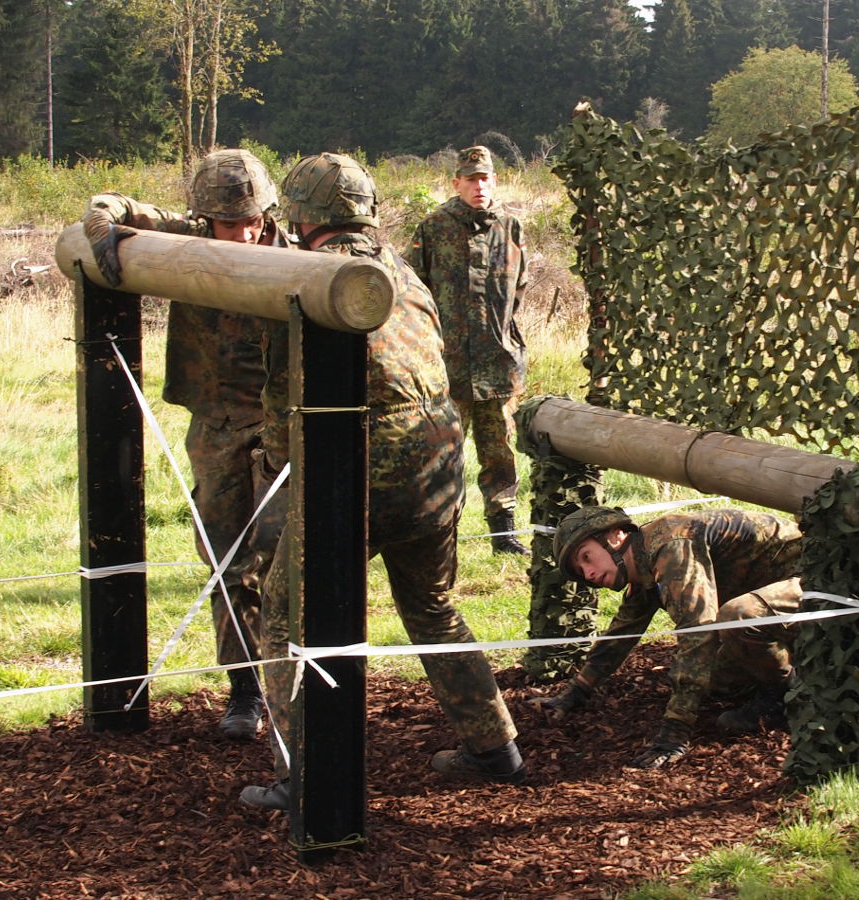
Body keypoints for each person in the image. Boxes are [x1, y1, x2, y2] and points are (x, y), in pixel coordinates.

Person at [239, 153, 524, 811]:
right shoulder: (403, 271)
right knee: (432, 608)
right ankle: (496, 748)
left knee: (284, 619)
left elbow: (285, 407)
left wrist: (278, 475)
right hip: (438, 468)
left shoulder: (311, 277)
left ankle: (307, 777)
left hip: (358, 471)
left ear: (302, 220)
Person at [81, 149, 283, 740]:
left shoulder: (295, 251)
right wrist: (101, 225)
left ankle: (293, 686)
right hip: (215, 424)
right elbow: (114, 206)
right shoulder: (187, 236)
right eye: (227, 223)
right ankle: (244, 690)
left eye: (250, 220)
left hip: (281, 426)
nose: (241, 233)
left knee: (284, 559)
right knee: (226, 558)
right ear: (204, 217)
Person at [534, 506, 803, 769]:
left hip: (813, 579)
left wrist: (674, 734)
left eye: (586, 557)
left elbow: (698, 633)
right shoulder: (641, 558)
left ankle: (792, 696)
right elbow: (622, 632)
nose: (589, 573)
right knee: (715, 680)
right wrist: (576, 692)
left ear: (615, 536)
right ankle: (790, 667)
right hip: (774, 598)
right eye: (581, 572)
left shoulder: (670, 547)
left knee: (739, 616)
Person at [408, 146, 530, 555]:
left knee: (500, 453)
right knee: (444, 456)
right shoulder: (433, 228)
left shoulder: (510, 227)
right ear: (456, 182)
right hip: (448, 368)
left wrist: (505, 337)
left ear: (494, 181)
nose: (479, 186)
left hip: (498, 365)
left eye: (485, 179)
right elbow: (413, 293)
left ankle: (503, 535)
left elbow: (520, 289)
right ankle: (443, 536)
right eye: (471, 179)